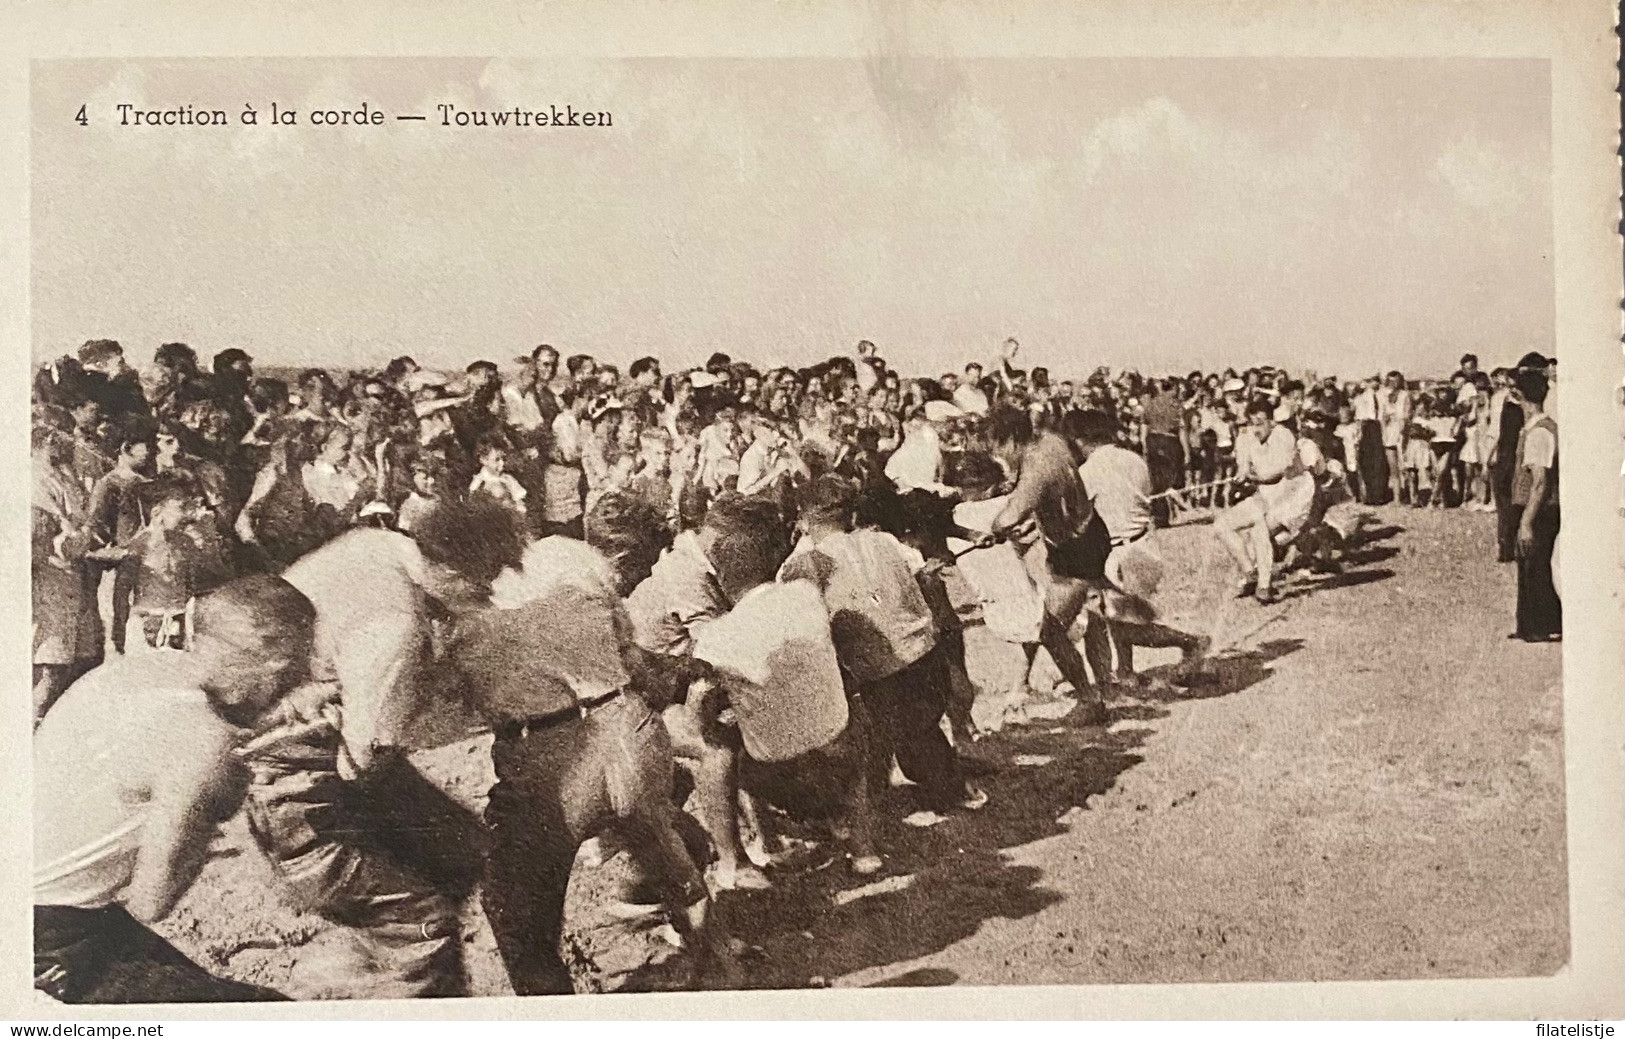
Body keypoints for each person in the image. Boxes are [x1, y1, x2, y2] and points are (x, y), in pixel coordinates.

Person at [243, 501, 522, 999]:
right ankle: (369, 984)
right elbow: (363, 760)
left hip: (292, 736)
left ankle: (370, 961)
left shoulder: (376, 542)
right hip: (294, 778)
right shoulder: (393, 627)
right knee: (423, 923)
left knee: (460, 852)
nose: (485, 594)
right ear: (456, 570)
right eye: (486, 580)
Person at [461, 498, 736, 996]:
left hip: (550, 750)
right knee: (668, 856)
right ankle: (722, 971)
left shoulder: (468, 604)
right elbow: (629, 659)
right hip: (627, 725)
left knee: (512, 904)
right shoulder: (576, 561)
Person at [34, 576, 315, 1003]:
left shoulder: (137, 670)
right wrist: (221, 804)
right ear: (278, 662)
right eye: (304, 661)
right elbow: (152, 901)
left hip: (54, 908)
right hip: (46, 934)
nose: (306, 673)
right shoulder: (208, 740)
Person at [985, 405, 1110, 725]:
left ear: (1011, 439)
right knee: (1070, 615)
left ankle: (1090, 700)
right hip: (1084, 533)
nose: (997, 454)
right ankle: (1094, 688)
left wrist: (994, 528)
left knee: (1050, 630)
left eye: (997, 446)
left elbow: (1008, 517)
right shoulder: (1051, 440)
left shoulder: (1036, 469)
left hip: (1077, 550)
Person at [1068, 409, 1208, 690]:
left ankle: (1192, 643)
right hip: (1143, 544)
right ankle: (1127, 671)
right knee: (1117, 616)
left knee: (1128, 625)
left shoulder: (1088, 472)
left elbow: (1078, 518)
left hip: (1125, 552)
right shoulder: (1134, 459)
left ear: (1083, 440)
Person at [1510, 370, 1561, 642]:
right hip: (1535, 505)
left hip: (1538, 508)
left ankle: (1539, 626)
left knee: (1534, 564)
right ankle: (1532, 624)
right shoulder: (1535, 429)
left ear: (1520, 395)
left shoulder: (1539, 433)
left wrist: (1526, 521)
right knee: (1529, 564)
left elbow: (1540, 482)